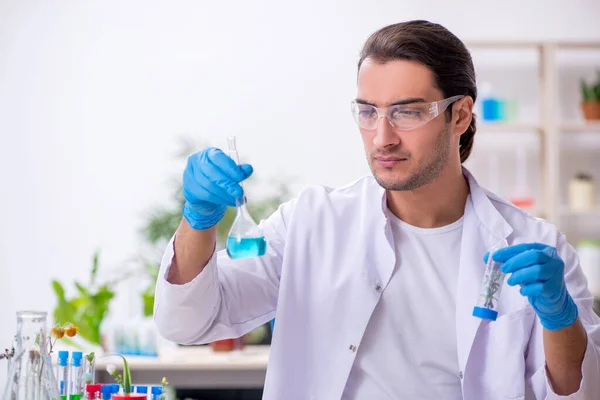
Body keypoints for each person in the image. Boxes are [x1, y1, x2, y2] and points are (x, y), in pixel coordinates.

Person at [153, 20, 600, 399]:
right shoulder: (314, 222)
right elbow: (190, 322)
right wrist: (199, 220)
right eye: (368, 112)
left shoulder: (534, 245)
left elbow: (579, 390)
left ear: (460, 116)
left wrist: (560, 319)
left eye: (407, 113)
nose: (382, 137)